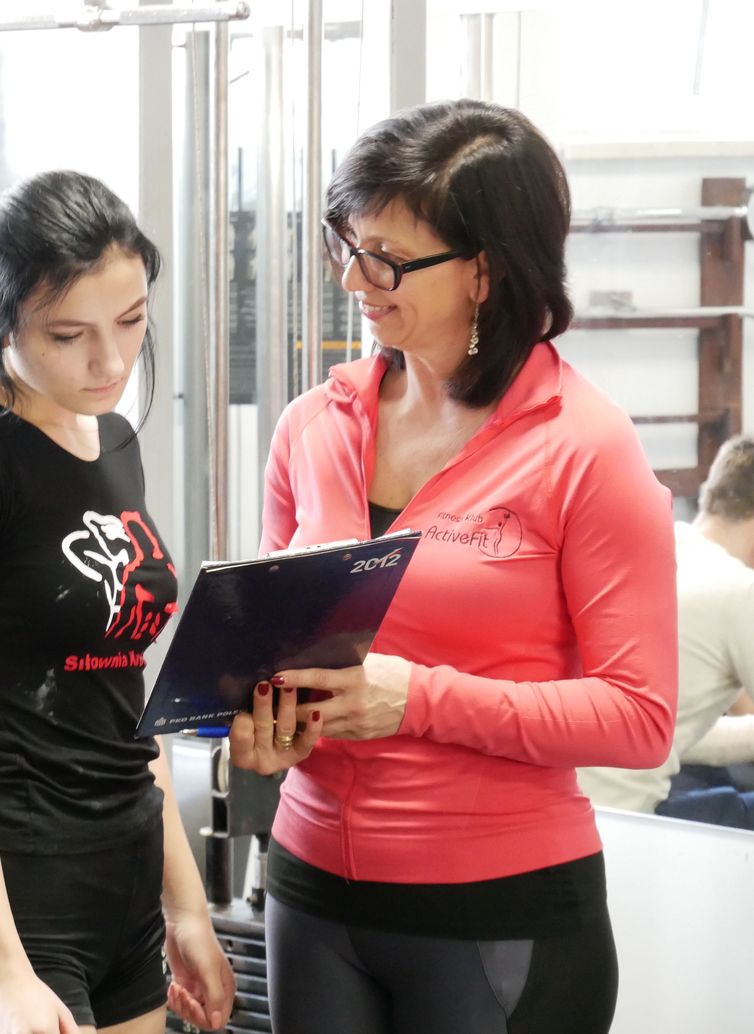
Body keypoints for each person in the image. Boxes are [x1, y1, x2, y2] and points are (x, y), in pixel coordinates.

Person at [229, 99, 677, 1034]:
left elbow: (639, 718)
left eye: (387, 258)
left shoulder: (584, 448)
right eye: (347, 244)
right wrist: (264, 721)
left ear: (485, 271)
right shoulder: (312, 426)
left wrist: (419, 699)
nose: (354, 277)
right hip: (310, 892)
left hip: (498, 909)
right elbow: (275, 645)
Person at [0, 169, 235, 1034]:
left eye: (132, 322)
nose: (109, 362)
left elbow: (120, 708)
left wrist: (184, 904)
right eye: (69, 335)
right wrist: (2, 973)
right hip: (7, 903)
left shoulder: (109, 439)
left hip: (123, 896)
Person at [579, 434, 754, 827]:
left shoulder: (656, 546)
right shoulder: (737, 589)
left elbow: (674, 734)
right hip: (627, 821)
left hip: (573, 806)